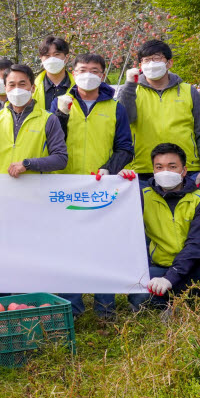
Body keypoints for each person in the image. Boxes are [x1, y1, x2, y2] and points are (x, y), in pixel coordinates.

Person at [119, 39, 200, 257]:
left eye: (156, 59)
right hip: (145, 172)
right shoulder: (132, 92)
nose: (151, 64)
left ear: (169, 62)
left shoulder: (188, 91)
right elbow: (126, 119)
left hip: (188, 172)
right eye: (145, 60)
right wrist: (129, 85)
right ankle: (148, 283)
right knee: (141, 232)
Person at [50, 53, 133, 318]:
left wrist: (109, 168)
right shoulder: (60, 103)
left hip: (101, 186)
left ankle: (105, 308)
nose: (89, 74)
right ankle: (72, 307)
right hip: (66, 186)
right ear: (73, 72)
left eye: (95, 70)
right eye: (83, 69)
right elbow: (52, 143)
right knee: (67, 248)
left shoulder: (115, 107)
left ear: (103, 74)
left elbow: (125, 147)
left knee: (102, 247)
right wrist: (61, 115)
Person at [127, 143, 200, 315]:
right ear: (153, 171)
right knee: (136, 290)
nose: (165, 172)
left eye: (172, 167)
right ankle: (175, 308)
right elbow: (119, 215)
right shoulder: (143, 197)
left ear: (184, 171)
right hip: (161, 268)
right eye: (159, 167)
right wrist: (121, 180)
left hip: (198, 269)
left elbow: (196, 245)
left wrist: (170, 278)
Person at [0, 64, 68, 176]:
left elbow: (60, 159)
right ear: (5, 88)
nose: (17, 89)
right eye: (12, 85)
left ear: (33, 88)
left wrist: (28, 164)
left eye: (22, 84)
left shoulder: (48, 119)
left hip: (32, 187)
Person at [33, 36, 74, 111]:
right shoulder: (32, 89)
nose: (52, 59)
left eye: (56, 54)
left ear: (66, 58)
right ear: (41, 59)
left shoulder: (78, 87)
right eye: (47, 56)